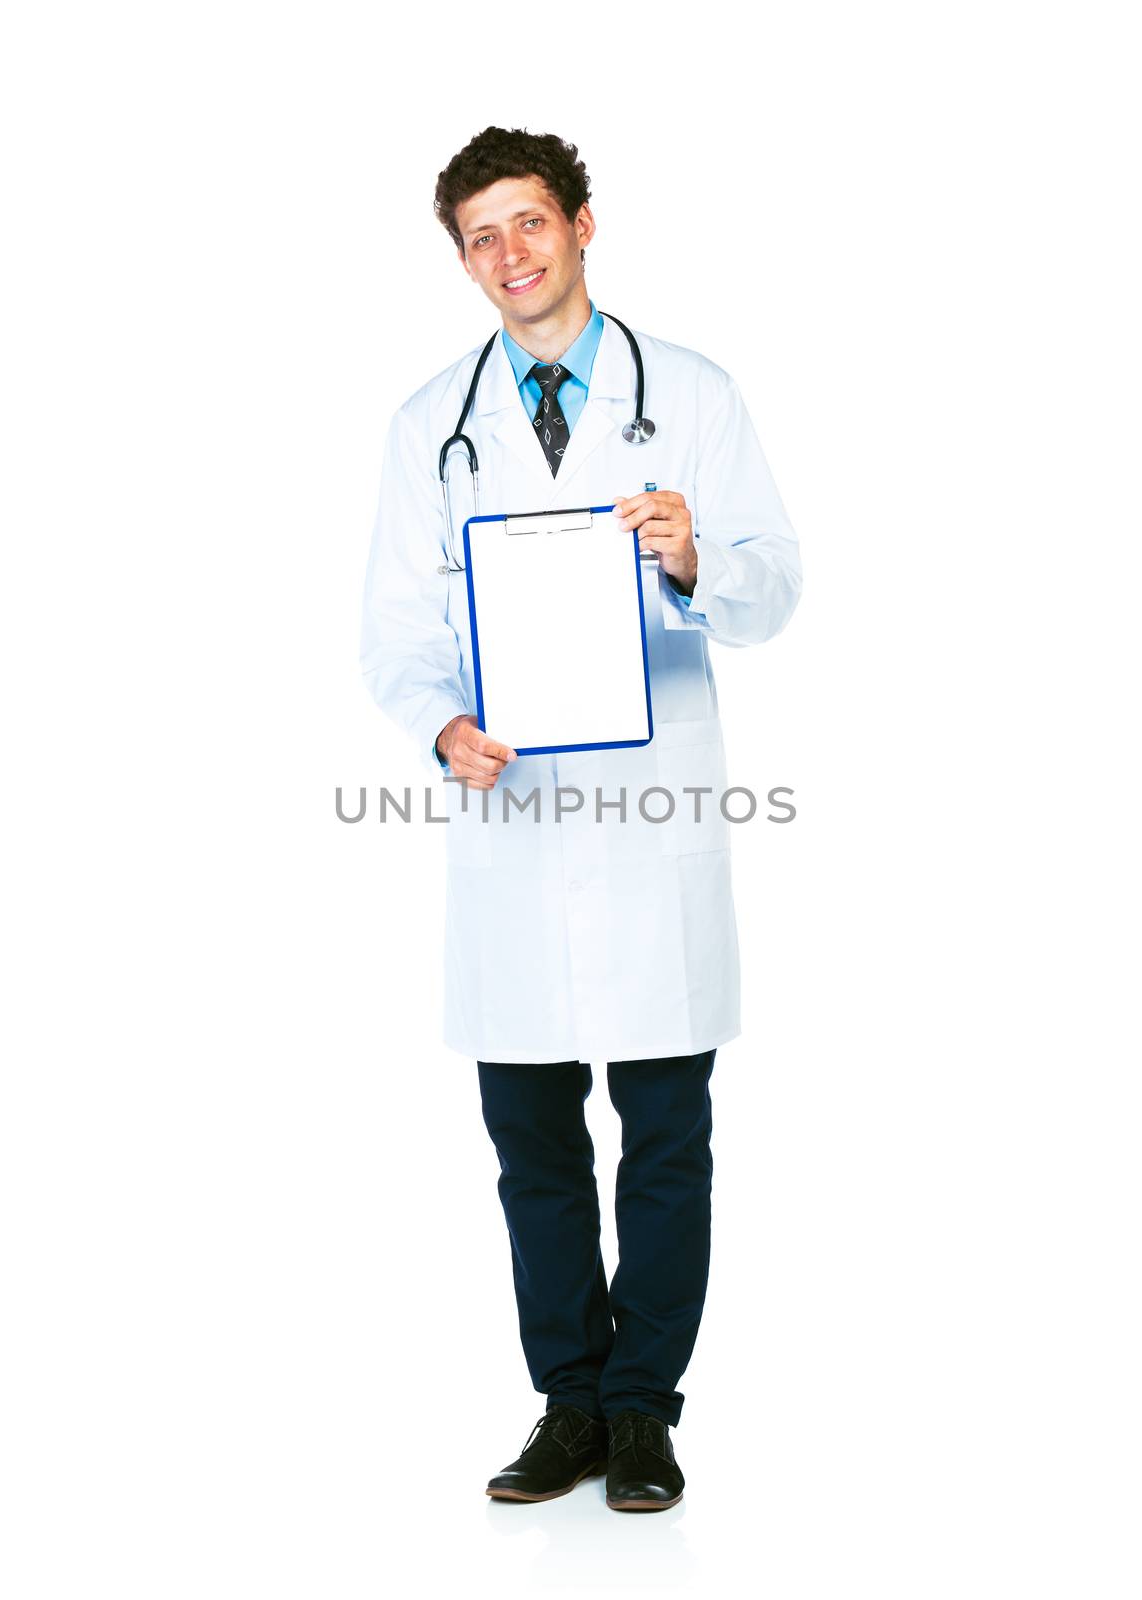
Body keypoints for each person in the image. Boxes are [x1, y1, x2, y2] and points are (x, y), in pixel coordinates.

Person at [359, 126, 802, 1511]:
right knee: (534, 1141)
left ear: (583, 225)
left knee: (667, 1136)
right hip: (513, 828)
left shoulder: (697, 396)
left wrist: (693, 559)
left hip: (650, 815)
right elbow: (394, 630)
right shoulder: (431, 419)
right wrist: (440, 727)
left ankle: (645, 1410)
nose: (510, 253)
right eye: (481, 235)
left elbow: (775, 588)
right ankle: (568, 1402)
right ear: (464, 259)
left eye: (530, 222)